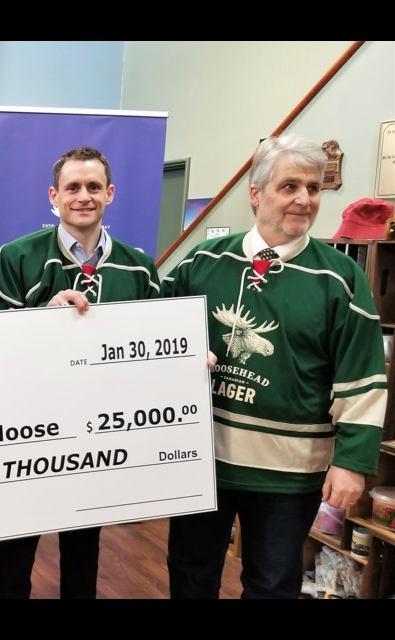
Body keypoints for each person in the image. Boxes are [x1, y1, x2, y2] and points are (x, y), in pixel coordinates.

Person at [162, 133, 387, 598]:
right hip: (204, 461)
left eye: (314, 188)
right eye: (290, 186)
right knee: (189, 573)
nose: (304, 199)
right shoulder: (200, 264)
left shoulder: (340, 279)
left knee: (272, 585)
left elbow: (362, 376)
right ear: (256, 194)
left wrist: (351, 463)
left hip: (290, 473)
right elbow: (151, 335)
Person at [0, 146, 160, 599]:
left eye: (93, 187)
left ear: (110, 194)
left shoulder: (139, 266)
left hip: (98, 433)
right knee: (17, 549)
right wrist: (45, 316)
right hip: (28, 428)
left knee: (84, 547)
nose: (83, 196)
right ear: (54, 196)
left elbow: (156, 347)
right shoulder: (16, 256)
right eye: (73, 187)